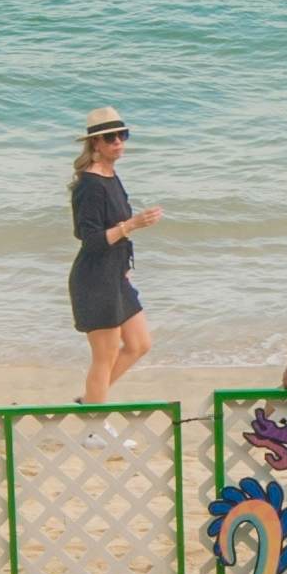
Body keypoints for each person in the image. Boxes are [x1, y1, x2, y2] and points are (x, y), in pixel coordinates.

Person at [69, 108, 159, 405]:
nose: (118, 142)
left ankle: (90, 401)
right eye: (110, 138)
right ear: (95, 143)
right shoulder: (90, 185)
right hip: (95, 280)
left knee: (139, 344)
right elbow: (91, 240)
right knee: (104, 356)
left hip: (115, 275)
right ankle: (94, 425)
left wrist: (125, 269)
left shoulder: (111, 175)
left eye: (123, 135)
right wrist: (132, 225)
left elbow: (114, 236)